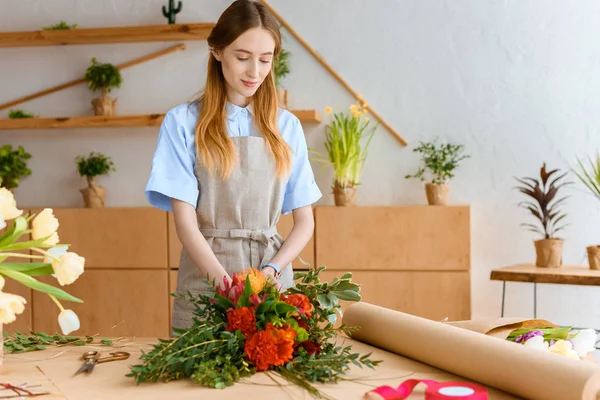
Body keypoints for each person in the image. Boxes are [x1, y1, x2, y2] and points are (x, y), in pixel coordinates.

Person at [144, 0, 322, 333]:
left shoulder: (287, 127)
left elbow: (304, 221)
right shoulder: (182, 123)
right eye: (242, 58)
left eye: (265, 60)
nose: (254, 72)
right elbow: (185, 225)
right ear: (217, 50)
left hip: (271, 282)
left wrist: (270, 273)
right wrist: (227, 288)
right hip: (205, 281)